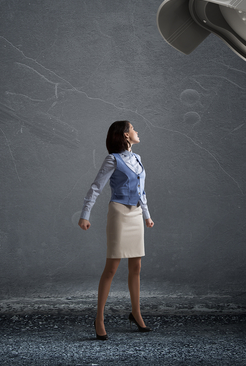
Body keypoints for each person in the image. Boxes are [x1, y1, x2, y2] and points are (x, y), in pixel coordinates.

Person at [79, 121, 155, 340]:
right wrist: (85, 214)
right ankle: (99, 318)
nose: (137, 131)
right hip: (120, 214)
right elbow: (96, 187)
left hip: (136, 214)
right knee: (112, 267)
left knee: (136, 266)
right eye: (133, 128)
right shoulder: (113, 159)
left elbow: (142, 191)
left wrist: (147, 216)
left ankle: (136, 312)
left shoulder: (138, 159)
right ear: (125, 135)